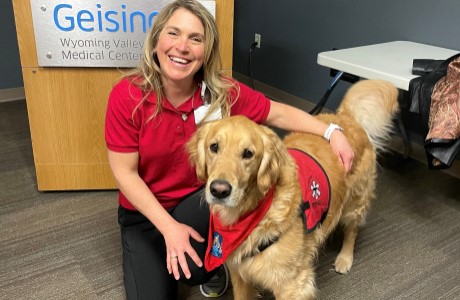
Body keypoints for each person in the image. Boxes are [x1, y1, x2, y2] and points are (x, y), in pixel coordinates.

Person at [104, 0, 354, 299]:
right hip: (144, 212)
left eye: (195, 39)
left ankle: (215, 262)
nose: (182, 47)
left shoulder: (221, 92)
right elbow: (124, 173)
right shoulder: (127, 95)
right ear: (156, 39)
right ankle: (169, 255)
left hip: (201, 200)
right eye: (173, 34)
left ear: (206, 50)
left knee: (196, 268)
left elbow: (277, 113)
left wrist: (331, 130)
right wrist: (170, 229)